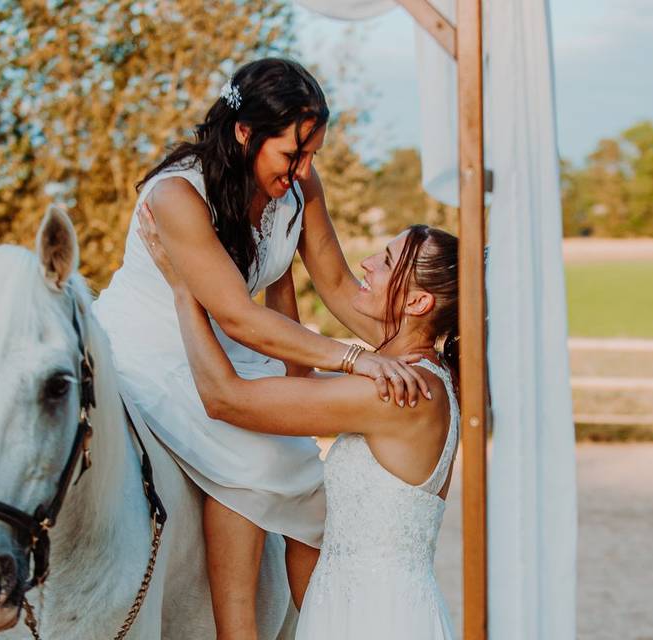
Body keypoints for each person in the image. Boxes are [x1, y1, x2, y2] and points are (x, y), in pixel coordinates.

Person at [92, 57, 431, 638]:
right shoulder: (177, 195)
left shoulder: (299, 188)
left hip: (237, 352)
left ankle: (318, 627)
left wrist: (422, 351)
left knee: (315, 494)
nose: (303, 169)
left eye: (312, 155)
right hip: (153, 354)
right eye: (293, 154)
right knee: (255, 465)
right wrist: (353, 357)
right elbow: (239, 315)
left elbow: (339, 288)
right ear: (245, 133)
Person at [138, 213, 460, 640]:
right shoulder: (410, 376)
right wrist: (280, 266)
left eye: (385, 261)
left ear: (418, 303)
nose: (365, 263)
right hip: (353, 608)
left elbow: (226, 399)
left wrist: (184, 290)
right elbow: (300, 381)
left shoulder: (399, 394)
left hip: (377, 620)